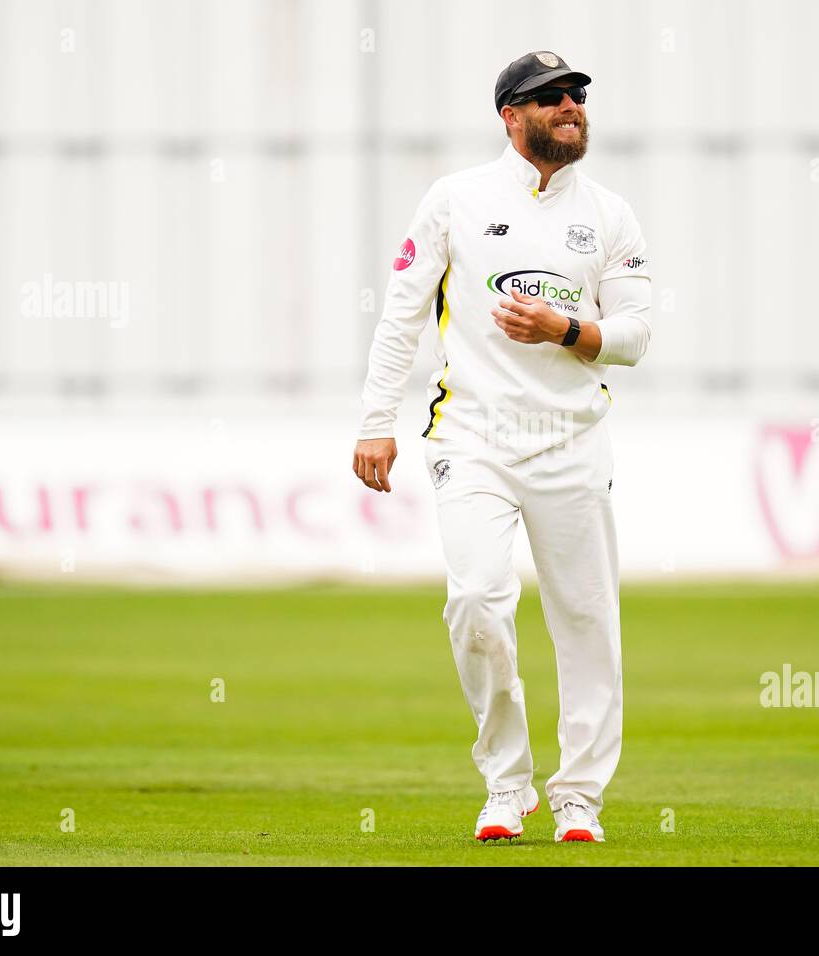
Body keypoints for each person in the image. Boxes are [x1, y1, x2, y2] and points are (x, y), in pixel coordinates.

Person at [352, 50, 652, 843]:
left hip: (572, 440)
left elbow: (634, 334)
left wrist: (568, 330)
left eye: (579, 95)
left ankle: (580, 796)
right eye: (551, 97)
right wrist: (374, 419)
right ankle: (506, 783)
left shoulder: (611, 214)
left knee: (586, 619)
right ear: (510, 115)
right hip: (474, 437)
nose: (571, 106)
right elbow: (402, 314)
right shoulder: (455, 200)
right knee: (477, 600)